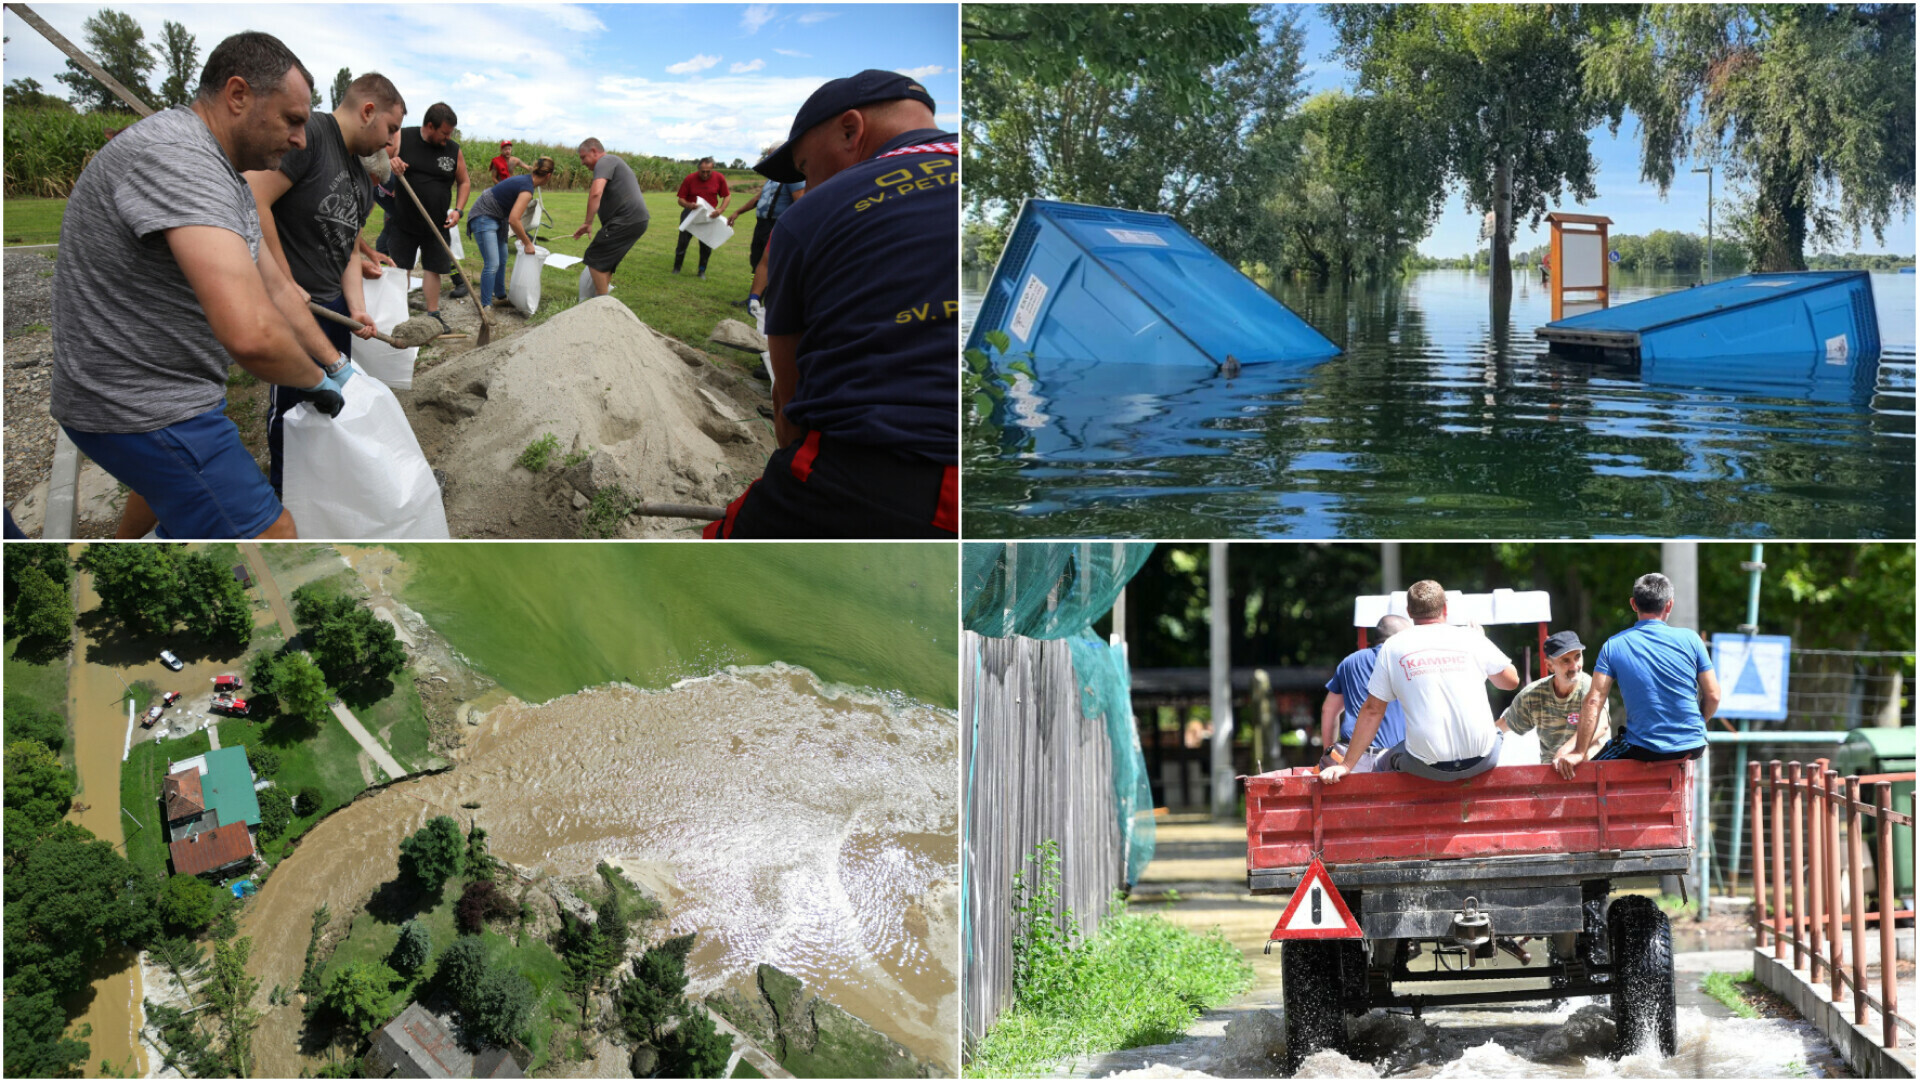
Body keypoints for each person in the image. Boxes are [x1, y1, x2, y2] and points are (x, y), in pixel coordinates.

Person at [49, 31, 352, 540]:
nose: (301, 139)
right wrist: (312, 381)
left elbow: (276, 289)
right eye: (292, 119)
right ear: (238, 96)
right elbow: (252, 333)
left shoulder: (225, 175)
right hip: (139, 402)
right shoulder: (182, 159)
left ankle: (124, 554)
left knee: (172, 489)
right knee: (272, 532)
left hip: (160, 386)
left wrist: (336, 365)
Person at [703, 70, 958, 538]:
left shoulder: (809, 216)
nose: (807, 185)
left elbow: (790, 404)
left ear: (850, 129)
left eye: (804, 167)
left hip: (875, 478)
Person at [247, 72, 407, 496]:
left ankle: (324, 484)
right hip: (296, 309)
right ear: (367, 111)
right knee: (293, 407)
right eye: (391, 129)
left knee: (334, 402)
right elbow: (252, 196)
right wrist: (282, 279)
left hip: (333, 306)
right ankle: (285, 492)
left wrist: (355, 308)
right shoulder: (312, 136)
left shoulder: (360, 175)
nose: (392, 144)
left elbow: (346, 249)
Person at [1321, 580, 1522, 784]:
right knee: (1498, 730)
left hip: (1428, 768)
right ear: (1445, 607)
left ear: (1409, 611)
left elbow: (1373, 710)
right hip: (1484, 760)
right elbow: (1511, 681)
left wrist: (1346, 765)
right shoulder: (1471, 637)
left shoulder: (1393, 646)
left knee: (1385, 759)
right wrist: (1483, 643)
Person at [1554, 574, 1720, 778]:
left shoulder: (1613, 646)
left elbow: (1594, 700)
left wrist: (1579, 752)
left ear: (1633, 604)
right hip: (1693, 745)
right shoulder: (1692, 640)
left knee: (1588, 776)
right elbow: (1713, 696)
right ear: (1669, 605)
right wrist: (1694, 724)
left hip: (1645, 748)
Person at [389, 102, 472, 322]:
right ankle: (398, 315)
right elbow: (377, 158)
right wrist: (391, 161)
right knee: (400, 270)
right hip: (404, 222)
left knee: (433, 270)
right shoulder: (402, 137)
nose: (447, 138)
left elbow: (464, 182)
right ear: (430, 126)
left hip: (437, 223)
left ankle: (433, 315)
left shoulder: (453, 150)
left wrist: (459, 210)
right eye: (444, 133)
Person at [1498, 630, 1612, 764]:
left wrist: (1567, 751)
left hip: (1593, 772)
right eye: (1566, 661)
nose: (1575, 666)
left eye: (1577, 656)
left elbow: (1600, 725)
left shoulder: (1591, 687)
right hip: (1551, 774)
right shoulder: (1532, 695)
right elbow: (1501, 727)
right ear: (1550, 666)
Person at [1320, 615, 1411, 773]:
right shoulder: (1408, 662)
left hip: (1349, 756)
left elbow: (1328, 711)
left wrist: (1329, 752)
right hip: (1393, 758)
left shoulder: (1350, 661)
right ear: (1400, 639)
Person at [471, 156, 556, 307]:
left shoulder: (527, 181)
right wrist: (528, 243)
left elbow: (512, 217)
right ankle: (485, 306)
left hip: (498, 217)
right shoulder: (527, 189)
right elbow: (514, 220)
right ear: (548, 175)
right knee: (492, 263)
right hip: (484, 215)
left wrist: (523, 237)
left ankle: (500, 295)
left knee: (502, 258)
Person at [571, 138, 650, 297]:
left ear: (594, 151)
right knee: (606, 262)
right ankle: (601, 299)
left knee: (594, 257)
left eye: (583, 157)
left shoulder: (605, 161)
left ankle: (602, 304)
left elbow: (596, 193)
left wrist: (588, 222)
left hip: (627, 219)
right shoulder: (612, 162)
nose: (582, 163)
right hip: (635, 220)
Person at [728, 176, 804, 309]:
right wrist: (738, 212)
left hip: (777, 225)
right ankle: (754, 297)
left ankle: (771, 301)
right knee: (756, 260)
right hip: (762, 225)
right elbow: (758, 198)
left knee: (772, 262)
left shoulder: (793, 179)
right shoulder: (772, 179)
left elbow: (801, 204)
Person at [673, 156, 731, 279]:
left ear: (712, 169)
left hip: (708, 216)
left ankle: (701, 271)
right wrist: (689, 205)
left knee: (706, 246)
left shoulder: (719, 178)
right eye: (702, 171)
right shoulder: (690, 178)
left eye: (708, 172)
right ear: (698, 169)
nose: (705, 174)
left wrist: (720, 209)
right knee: (682, 243)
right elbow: (680, 199)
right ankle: (677, 268)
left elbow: (727, 196)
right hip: (690, 213)